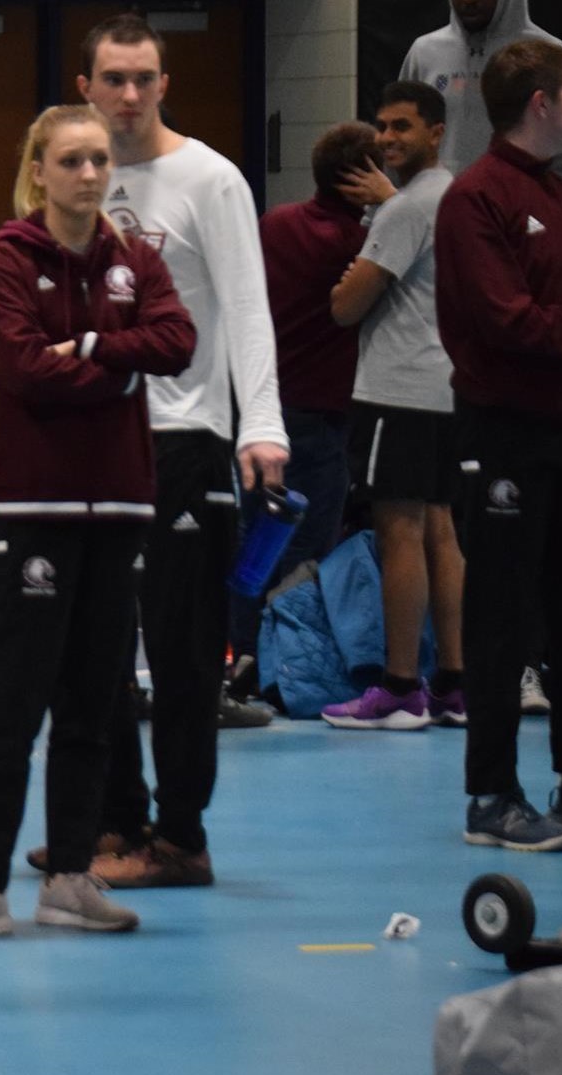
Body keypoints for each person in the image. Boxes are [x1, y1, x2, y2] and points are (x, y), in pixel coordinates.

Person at [0, 104, 196, 940]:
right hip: (33, 512)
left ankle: (71, 878)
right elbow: (20, 367)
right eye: (68, 161)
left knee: (92, 703)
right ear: (37, 170)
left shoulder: (136, 260)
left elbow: (176, 340)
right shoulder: (11, 257)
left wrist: (83, 351)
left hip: (117, 509)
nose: (86, 173)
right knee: (12, 707)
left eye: (96, 160)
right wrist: (114, 362)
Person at [71, 14, 290, 888]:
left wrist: (261, 426)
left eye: (144, 79)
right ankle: (113, 825)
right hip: (92, 442)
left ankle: (180, 836)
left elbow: (245, 309)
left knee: (181, 649)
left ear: (164, 85)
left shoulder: (210, 180)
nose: (128, 95)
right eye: (112, 79)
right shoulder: (69, 176)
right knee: (91, 643)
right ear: (84, 86)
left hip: (188, 443)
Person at [435, 40, 562, 850]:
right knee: (500, 619)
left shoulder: (556, 194)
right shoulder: (474, 198)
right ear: (542, 103)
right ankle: (490, 794)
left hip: (559, 431)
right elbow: (502, 318)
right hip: (501, 436)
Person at [323, 81, 466, 730]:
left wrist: (350, 273)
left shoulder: (405, 209)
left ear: (435, 132)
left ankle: (401, 687)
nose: (387, 138)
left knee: (399, 530)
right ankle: (453, 684)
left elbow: (345, 305)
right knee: (440, 528)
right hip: (442, 388)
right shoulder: (451, 195)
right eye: (381, 126)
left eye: (402, 126)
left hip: (395, 391)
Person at [229, 122, 380, 700]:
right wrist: (391, 208)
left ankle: (242, 653)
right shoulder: (357, 245)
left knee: (254, 535)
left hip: (262, 405)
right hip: (318, 412)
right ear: (363, 179)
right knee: (309, 546)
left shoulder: (276, 223)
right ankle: (281, 664)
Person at [399, 0, 561, 177]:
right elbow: (400, 130)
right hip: (438, 200)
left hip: (519, 199)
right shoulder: (424, 52)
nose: (469, 2)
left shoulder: (549, 55)